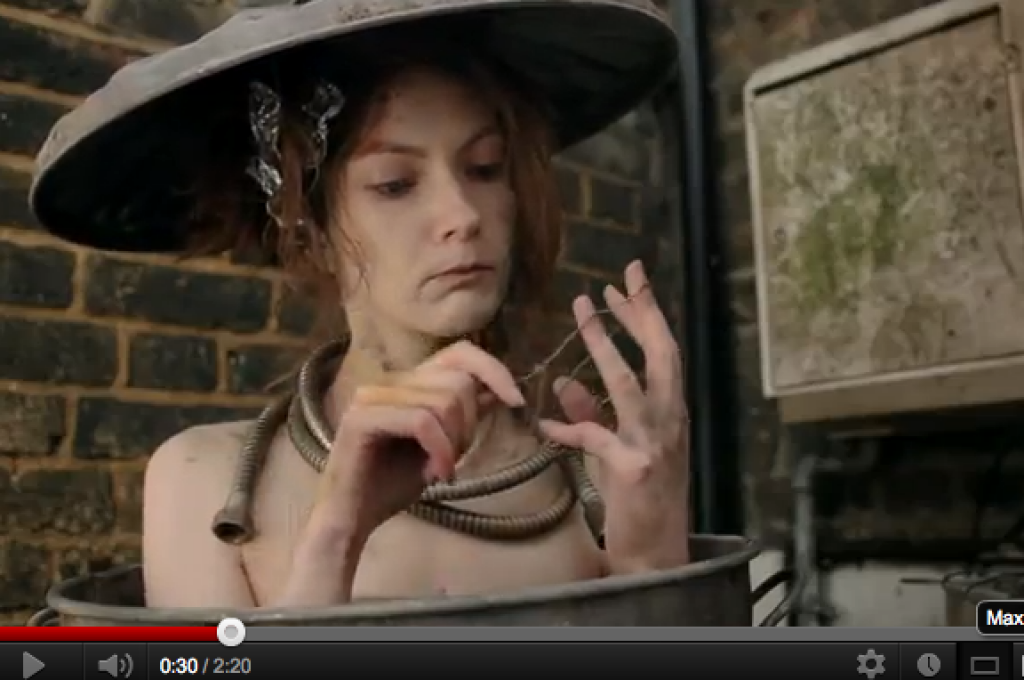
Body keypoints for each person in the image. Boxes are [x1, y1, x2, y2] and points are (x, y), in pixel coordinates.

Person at [30, 0, 690, 609]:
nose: (462, 214)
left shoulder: (595, 474)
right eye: (396, 184)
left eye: (485, 168)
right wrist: (336, 533)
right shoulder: (208, 483)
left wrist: (649, 558)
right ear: (308, 230)